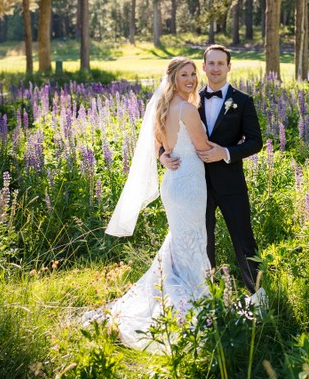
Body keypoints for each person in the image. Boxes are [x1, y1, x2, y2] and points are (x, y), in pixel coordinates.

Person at [85, 57, 212, 352]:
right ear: (173, 78)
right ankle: (194, 299)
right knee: (192, 239)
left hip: (173, 181)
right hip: (190, 181)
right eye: (185, 74)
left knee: (181, 240)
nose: (191, 79)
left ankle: (180, 291)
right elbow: (203, 147)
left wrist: (164, 156)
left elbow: (157, 145)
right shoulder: (188, 109)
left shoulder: (161, 108)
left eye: (193, 74)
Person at [160, 45, 264, 301]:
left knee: (244, 241)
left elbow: (255, 142)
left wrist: (226, 153)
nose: (215, 68)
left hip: (231, 185)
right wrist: (161, 156)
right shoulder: (189, 100)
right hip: (195, 186)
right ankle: (211, 299)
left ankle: (258, 297)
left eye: (221, 63)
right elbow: (165, 136)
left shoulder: (243, 101)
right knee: (202, 244)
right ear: (203, 67)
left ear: (229, 67)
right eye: (211, 64)